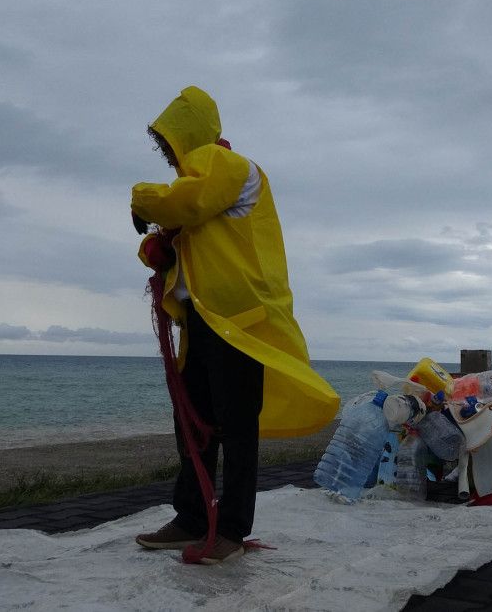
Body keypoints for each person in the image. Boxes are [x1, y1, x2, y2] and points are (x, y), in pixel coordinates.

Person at [130, 86, 339, 564]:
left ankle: (231, 527)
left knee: (236, 426)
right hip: (203, 324)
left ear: (189, 135)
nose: (168, 153)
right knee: (194, 425)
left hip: (239, 325)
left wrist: (141, 200)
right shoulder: (199, 186)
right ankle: (191, 518)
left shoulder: (228, 168)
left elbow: (185, 204)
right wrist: (159, 250)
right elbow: (188, 234)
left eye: (169, 142)